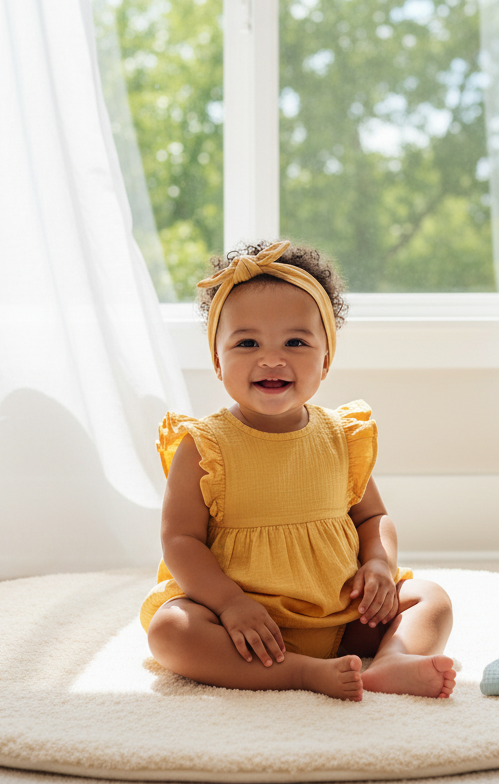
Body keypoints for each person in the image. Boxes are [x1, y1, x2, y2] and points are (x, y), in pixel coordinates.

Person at [140, 239, 456, 701]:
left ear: (325, 359)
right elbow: (180, 540)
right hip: (244, 623)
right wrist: (230, 604)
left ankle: (391, 661)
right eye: (247, 343)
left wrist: (378, 566)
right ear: (217, 361)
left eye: (296, 342)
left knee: (431, 599)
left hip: (339, 611)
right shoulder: (204, 445)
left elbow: (373, 518)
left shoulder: (340, 435)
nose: (272, 358)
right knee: (170, 631)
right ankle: (299, 672)